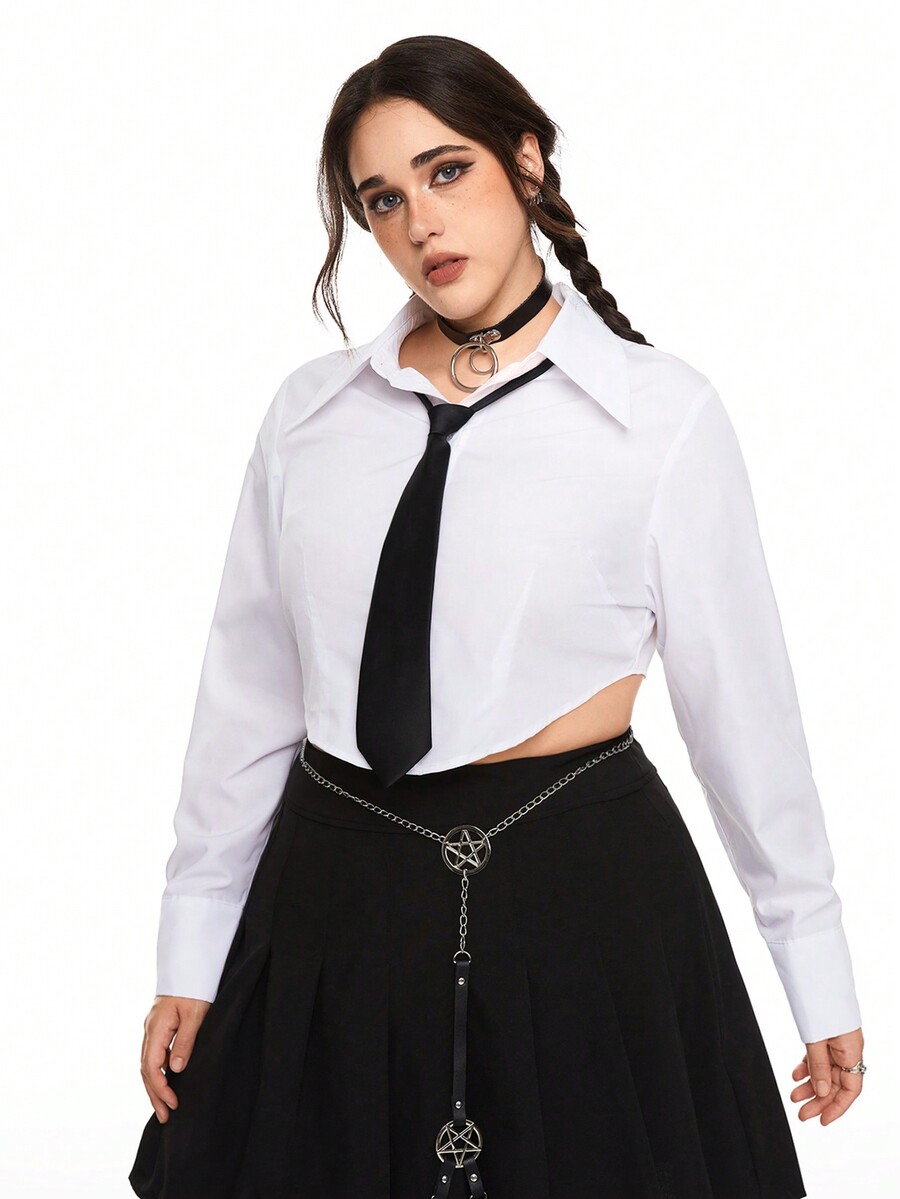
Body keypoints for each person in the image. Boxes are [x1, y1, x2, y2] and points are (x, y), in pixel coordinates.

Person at [129, 34, 865, 1199]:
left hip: (585, 906)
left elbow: (745, 718)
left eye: (447, 170)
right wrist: (194, 944)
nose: (420, 220)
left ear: (525, 162)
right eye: (383, 198)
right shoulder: (309, 417)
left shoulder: (660, 417)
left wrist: (814, 967)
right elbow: (248, 697)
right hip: (329, 902)